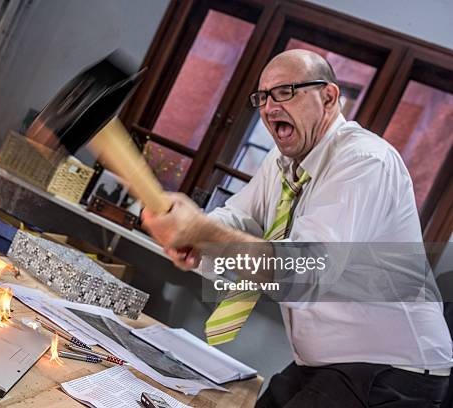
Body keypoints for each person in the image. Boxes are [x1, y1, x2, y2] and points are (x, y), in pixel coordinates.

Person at [141, 49, 452, 407]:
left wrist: (203, 234)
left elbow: (307, 270)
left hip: (394, 371)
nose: (270, 107)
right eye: (262, 97)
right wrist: (197, 238)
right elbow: (239, 218)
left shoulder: (365, 161)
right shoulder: (281, 159)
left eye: (286, 91)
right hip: (326, 360)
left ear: (329, 97)